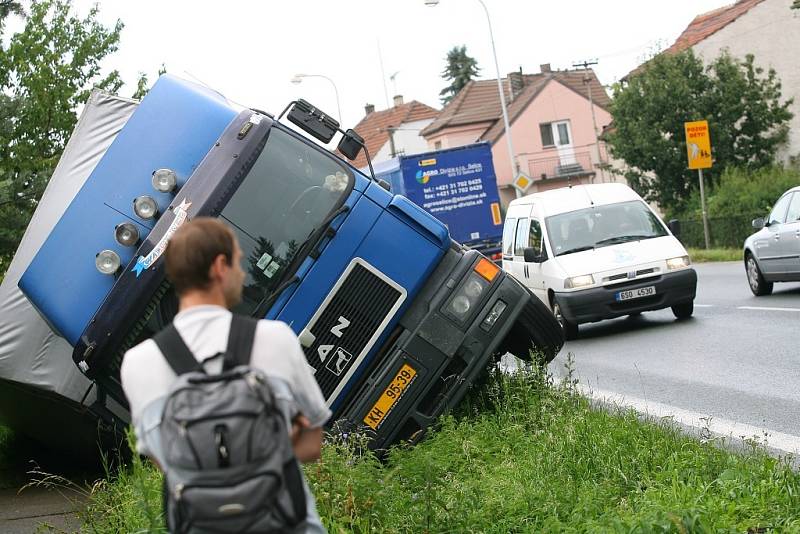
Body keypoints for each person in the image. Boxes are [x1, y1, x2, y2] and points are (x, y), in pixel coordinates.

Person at [121, 217, 330, 533]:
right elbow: (313, 446)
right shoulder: (275, 338)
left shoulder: (137, 363)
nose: (243, 274)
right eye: (238, 262)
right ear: (220, 267)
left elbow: (171, 467)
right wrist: (276, 445)